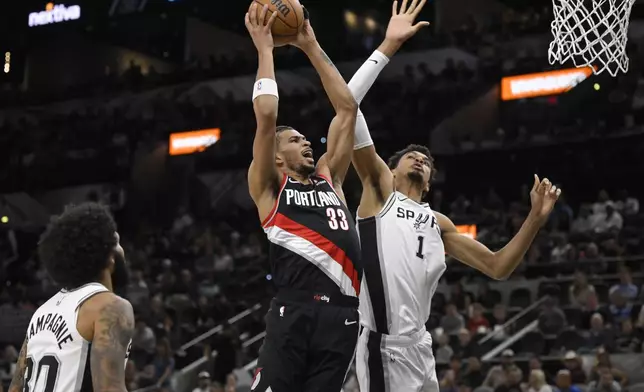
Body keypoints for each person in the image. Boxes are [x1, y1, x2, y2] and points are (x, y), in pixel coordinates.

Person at [346, 3, 562, 390]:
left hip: (421, 348)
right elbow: (348, 105)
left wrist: (534, 220)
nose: (420, 158)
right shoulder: (379, 193)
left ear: (429, 182)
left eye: (427, 159)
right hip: (383, 346)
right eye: (411, 155)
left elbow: (498, 268)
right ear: (391, 170)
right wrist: (388, 46)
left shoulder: (437, 223)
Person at [244, 4, 360, 392]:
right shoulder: (270, 187)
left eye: (306, 139)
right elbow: (267, 117)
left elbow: (347, 109)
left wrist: (311, 45)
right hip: (293, 311)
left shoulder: (331, 178)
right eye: (296, 140)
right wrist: (266, 50)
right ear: (277, 157)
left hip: (343, 317)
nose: (308, 141)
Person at [9, 202, 133, 392]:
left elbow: (15, 389)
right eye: (117, 243)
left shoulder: (41, 313)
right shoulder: (110, 306)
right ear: (109, 255)